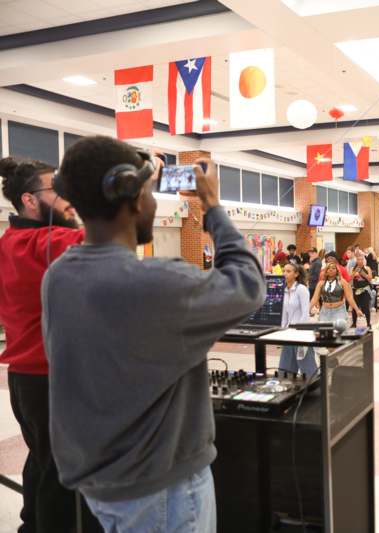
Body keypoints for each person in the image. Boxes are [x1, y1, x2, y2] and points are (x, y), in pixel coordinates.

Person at [41, 137, 266, 531]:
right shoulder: (158, 283)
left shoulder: (58, 275)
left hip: (102, 481)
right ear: (129, 196)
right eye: (149, 192)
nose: (153, 203)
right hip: (162, 489)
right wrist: (211, 205)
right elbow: (249, 284)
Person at [0, 157, 104, 532]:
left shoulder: (9, 242)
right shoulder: (44, 241)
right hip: (52, 379)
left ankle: (31, 525)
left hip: (26, 380)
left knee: (43, 461)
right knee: (64, 477)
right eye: (58, 190)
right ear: (29, 200)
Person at [278, 262, 317, 377]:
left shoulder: (301, 289)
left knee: (308, 369)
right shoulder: (284, 290)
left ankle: (316, 390)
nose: (285, 274)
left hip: (301, 334)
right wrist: (282, 330)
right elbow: (284, 314)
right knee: (285, 370)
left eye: (288, 271)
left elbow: (305, 313)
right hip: (288, 334)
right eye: (284, 271)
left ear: (296, 274)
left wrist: (299, 332)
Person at [310, 261, 364, 326]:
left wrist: (357, 310)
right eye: (329, 268)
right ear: (326, 271)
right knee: (325, 331)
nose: (331, 270)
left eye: (333, 268)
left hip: (339, 310)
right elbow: (315, 298)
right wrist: (308, 309)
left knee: (339, 329)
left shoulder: (342, 282)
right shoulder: (321, 283)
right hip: (325, 311)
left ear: (337, 271)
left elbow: (349, 298)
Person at [350, 250, 373, 327]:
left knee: (366, 307)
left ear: (364, 260)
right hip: (355, 289)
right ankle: (354, 323)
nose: (359, 261)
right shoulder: (353, 268)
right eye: (358, 259)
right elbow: (349, 279)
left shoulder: (367, 268)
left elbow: (370, 279)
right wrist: (354, 273)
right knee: (354, 308)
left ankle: (368, 323)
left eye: (361, 259)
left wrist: (362, 273)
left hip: (364, 290)